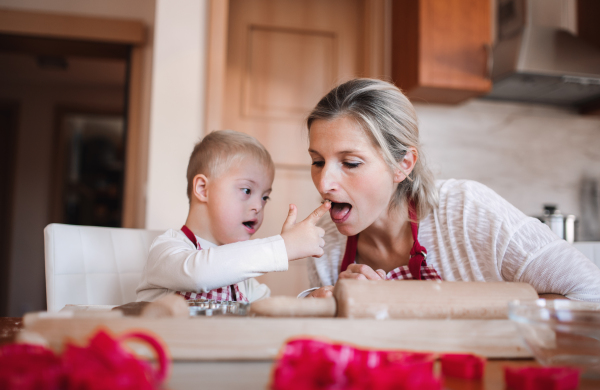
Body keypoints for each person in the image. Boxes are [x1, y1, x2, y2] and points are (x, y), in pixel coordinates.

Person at [302, 78, 600, 302]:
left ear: (403, 164)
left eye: (351, 163)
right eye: (317, 161)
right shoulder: (324, 243)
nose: (324, 183)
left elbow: (590, 292)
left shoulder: (468, 210)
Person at [136, 130, 330, 302]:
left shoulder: (243, 277)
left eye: (265, 197)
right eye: (246, 190)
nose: (258, 206)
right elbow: (199, 273)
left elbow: (268, 314)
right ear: (203, 189)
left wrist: (310, 301)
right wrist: (283, 247)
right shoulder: (167, 249)